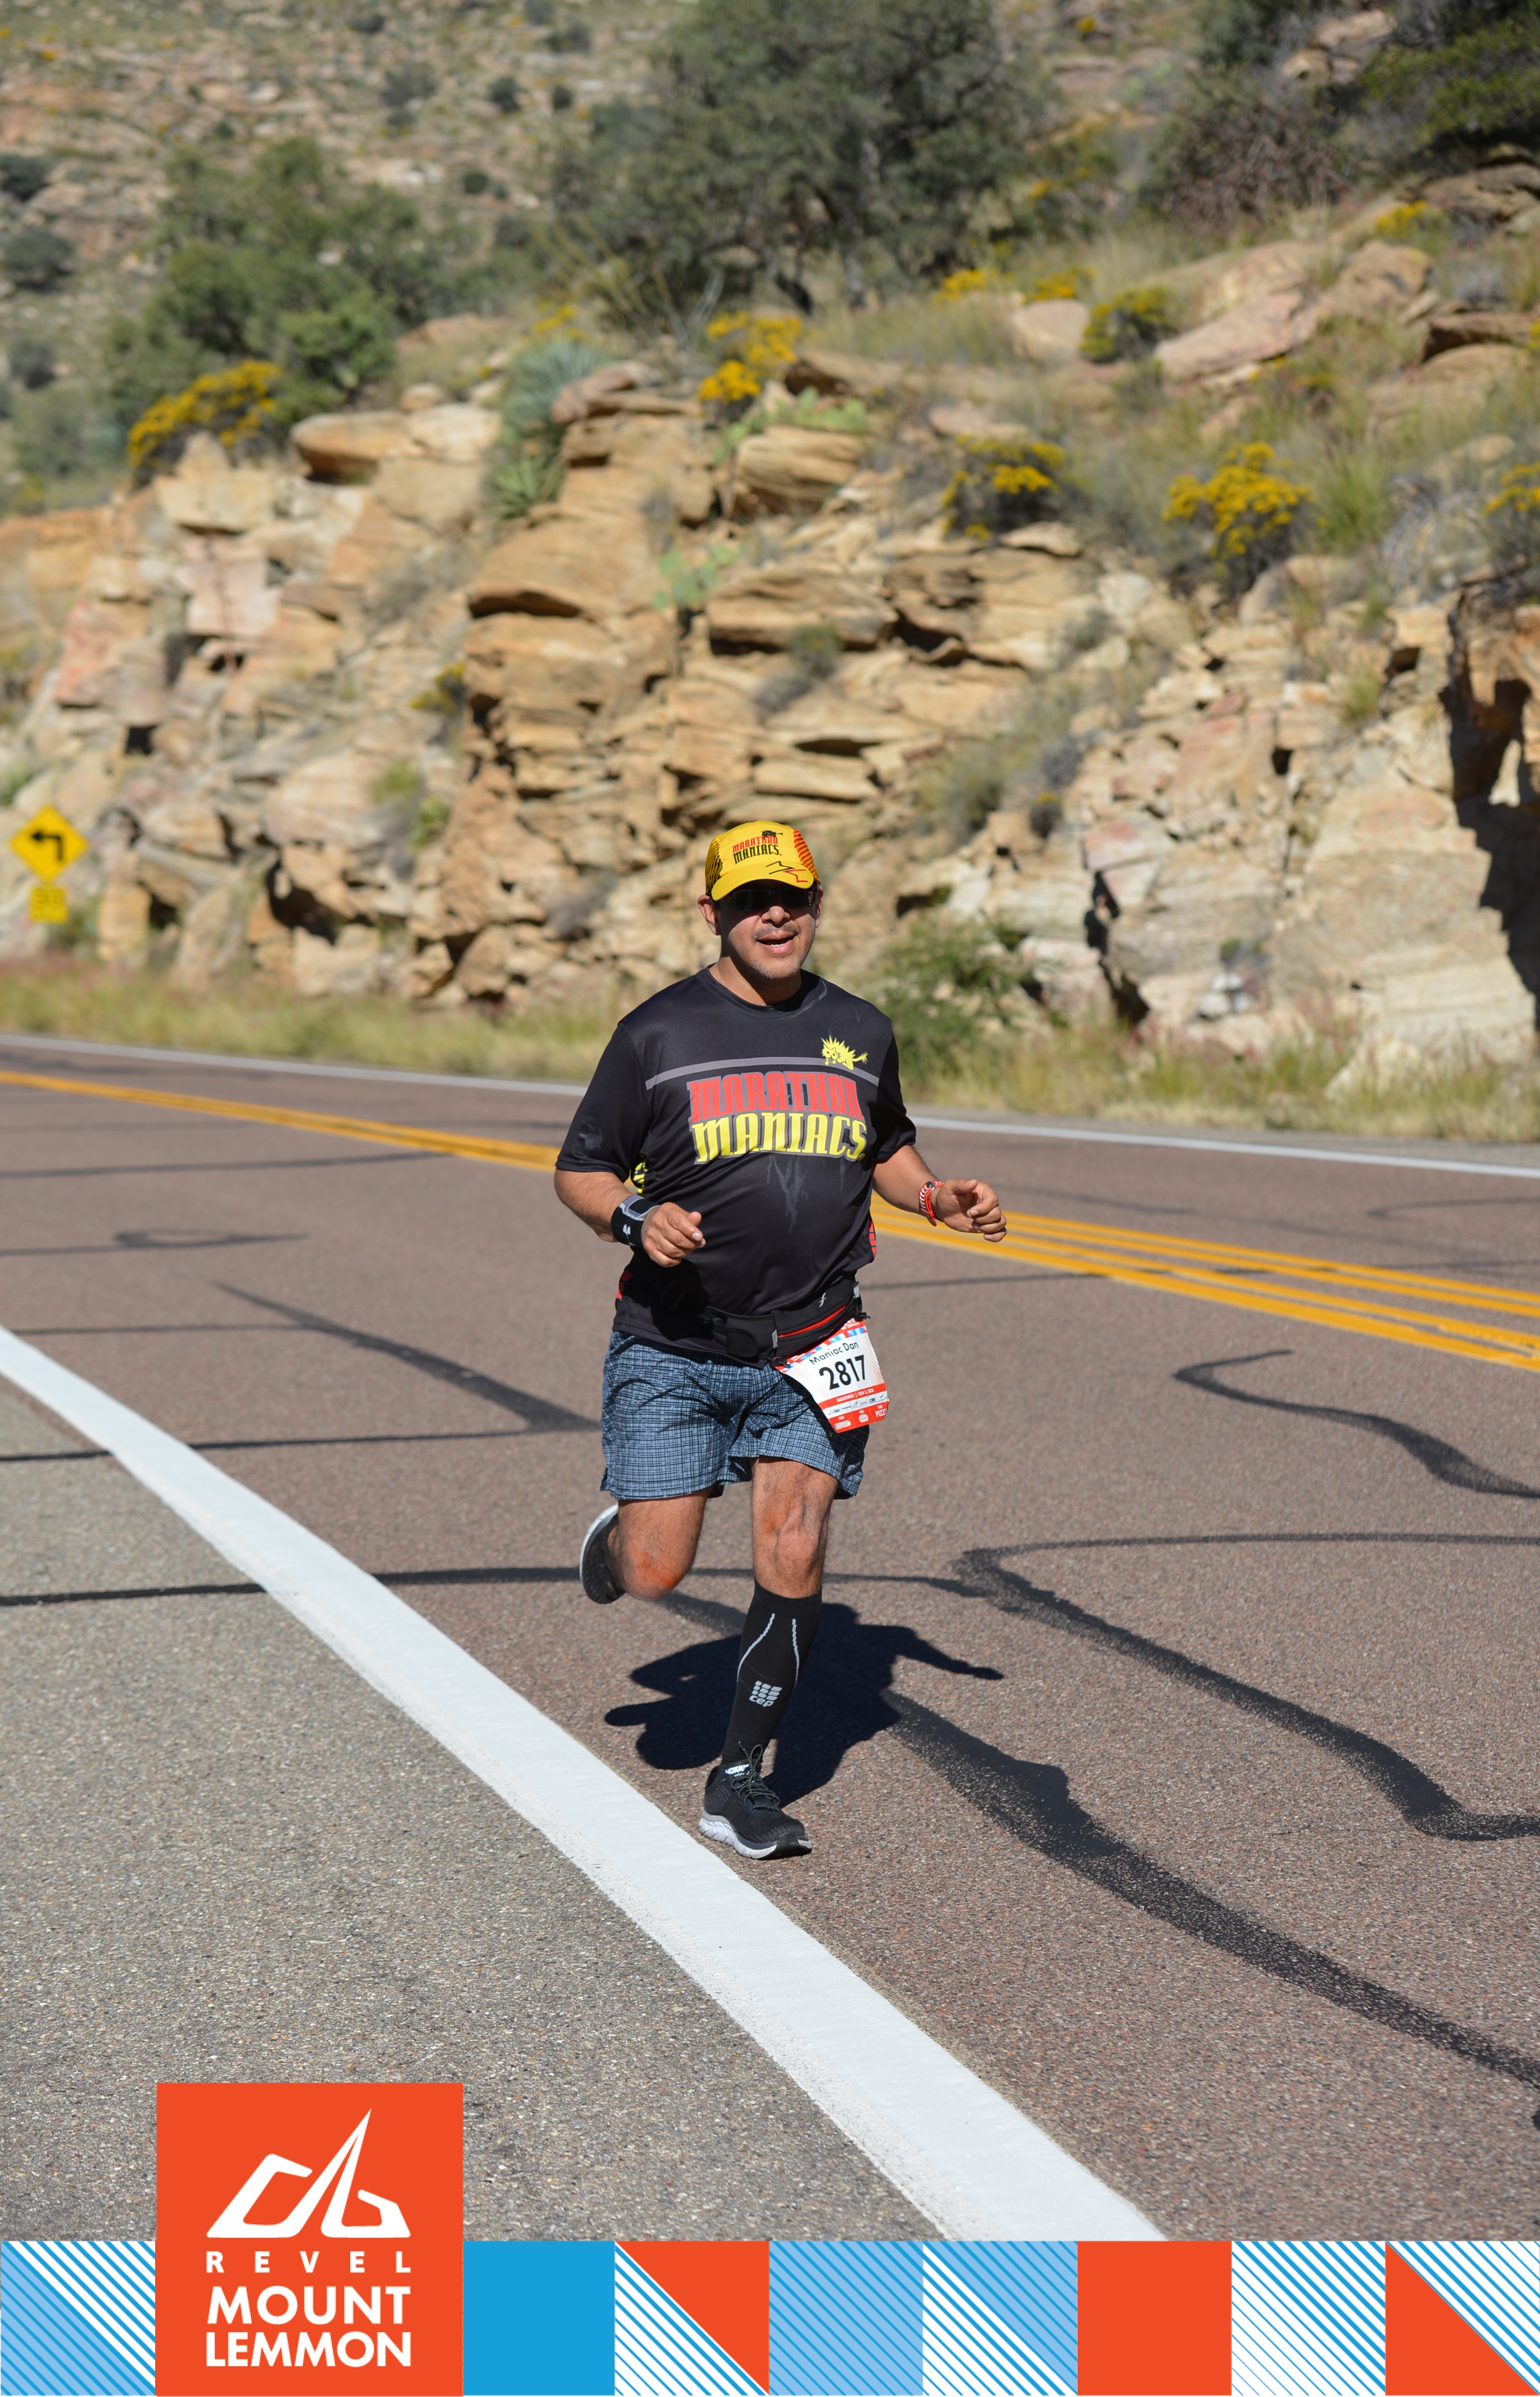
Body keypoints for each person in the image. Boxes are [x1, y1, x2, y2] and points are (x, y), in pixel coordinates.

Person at [553, 819, 1007, 1860]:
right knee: (658, 1571)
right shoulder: (655, 1034)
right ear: (711, 912)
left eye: (792, 898)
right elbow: (581, 1170)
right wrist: (633, 1217)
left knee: (794, 1546)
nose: (774, 916)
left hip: (814, 1339)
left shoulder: (859, 1028)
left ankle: (741, 1778)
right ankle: (620, 1543)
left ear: (814, 906)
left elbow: (885, 1144)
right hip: (675, 1345)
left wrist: (935, 1195)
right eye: (752, 900)